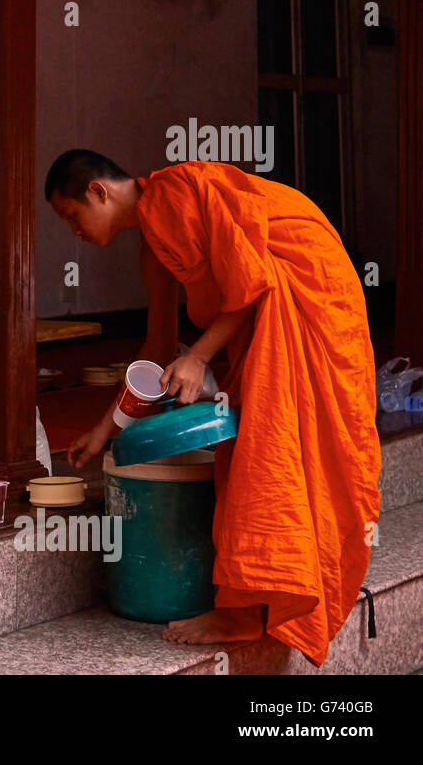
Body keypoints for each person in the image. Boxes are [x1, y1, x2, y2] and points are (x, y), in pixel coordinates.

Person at [46, 151, 380, 666]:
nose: (75, 233)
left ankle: (268, 600)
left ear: (98, 191)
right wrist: (102, 429)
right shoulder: (153, 247)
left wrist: (199, 357)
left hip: (310, 297)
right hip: (266, 317)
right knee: (249, 455)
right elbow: (157, 349)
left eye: (72, 216)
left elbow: (253, 282)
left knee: (275, 455)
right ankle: (247, 605)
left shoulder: (178, 192)